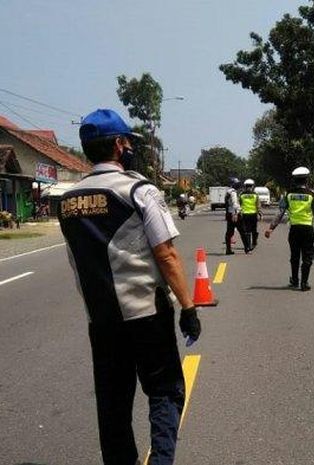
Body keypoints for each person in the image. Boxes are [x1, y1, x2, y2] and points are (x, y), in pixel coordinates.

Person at [57, 109, 202, 464]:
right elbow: (166, 255)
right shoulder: (139, 190)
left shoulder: (67, 201)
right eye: (129, 142)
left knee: (113, 405)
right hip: (146, 315)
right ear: (120, 145)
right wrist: (188, 307)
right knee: (165, 392)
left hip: (102, 320)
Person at [264, 167, 314, 291]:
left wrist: (271, 228)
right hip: (307, 229)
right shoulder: (312, 195)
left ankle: (295, 280)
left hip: (294, 230)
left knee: (294, 256)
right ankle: (304, 283)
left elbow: (280, 212)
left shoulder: (289, 194)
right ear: (306, 179)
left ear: (294, 180)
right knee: (307, 257)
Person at [238, 178, 262, 253]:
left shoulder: (241, 195)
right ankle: (254, 242)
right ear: (252, 186)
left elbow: (239, 204)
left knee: (247, 230)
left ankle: (248, 246)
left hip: (245, 215)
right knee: (254, 229)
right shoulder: (255, 195)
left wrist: (239, 212)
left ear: (245, 186)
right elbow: (258, 205)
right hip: (253, 214)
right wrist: (260, 213)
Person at [224, 177, 241, 255]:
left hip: (228, 213)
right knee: (242, 230)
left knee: (229, 232)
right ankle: (248, 247)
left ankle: (228, 249)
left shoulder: (227, 192)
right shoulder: (233, 192)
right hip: (233, 214)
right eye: (236, 184)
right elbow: (234, 204)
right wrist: (236, 213)